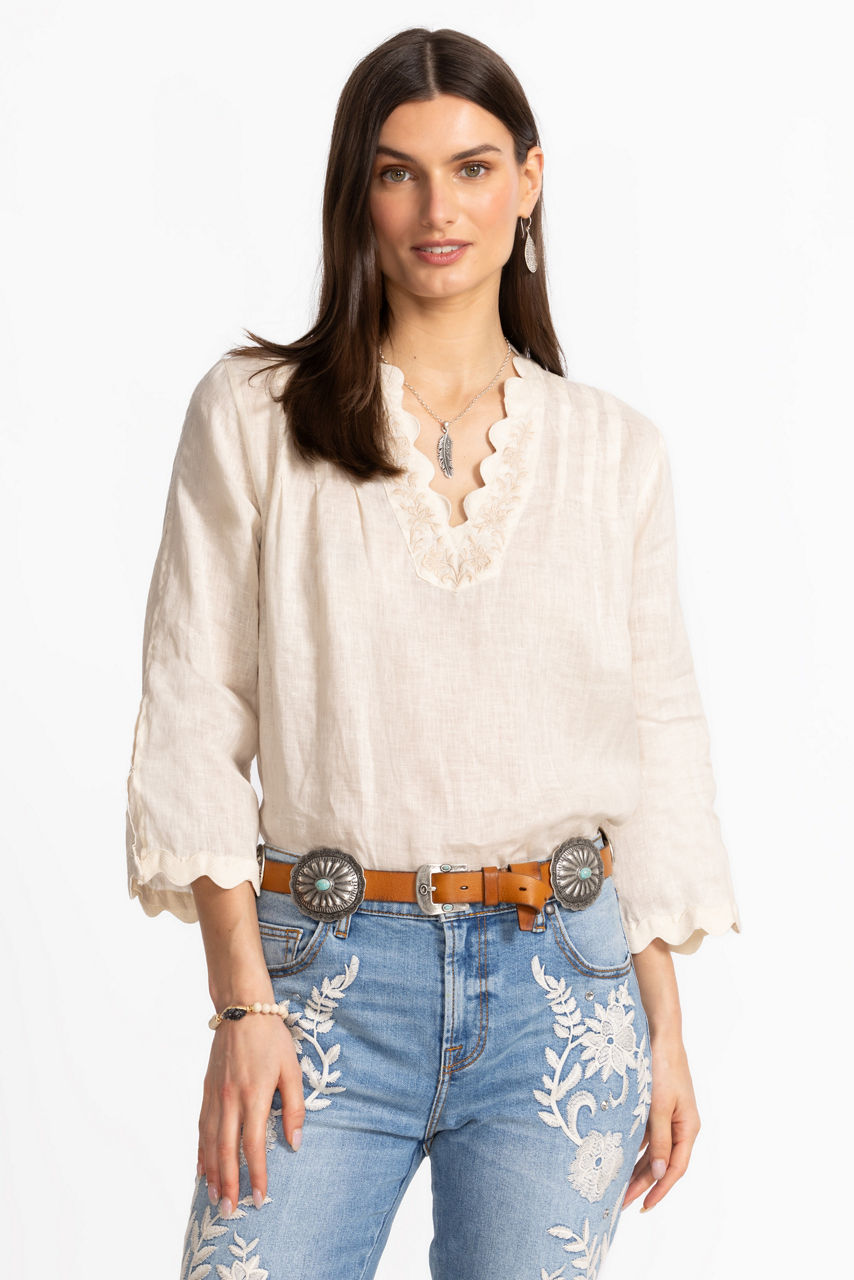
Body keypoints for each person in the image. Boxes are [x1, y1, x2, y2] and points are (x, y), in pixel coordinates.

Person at [124, 26, 741, 1280]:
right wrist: (241, 1002)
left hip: (563, 989)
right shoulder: (254, 416)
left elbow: (657, 739)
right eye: (396, 172)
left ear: (527, 180)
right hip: (321, 980)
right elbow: (193, 706)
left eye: (471, 168)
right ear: (357, 193)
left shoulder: (614, 450)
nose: (436, 209)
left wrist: (664, 1026)